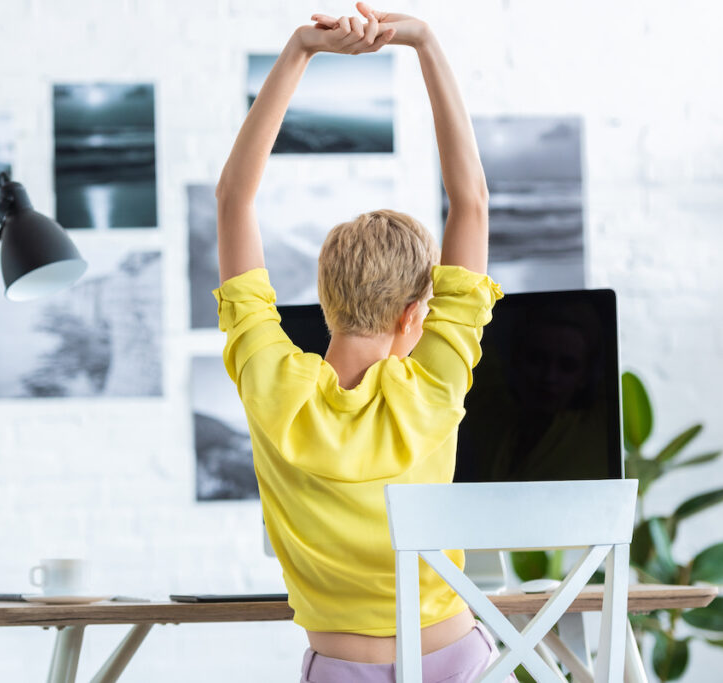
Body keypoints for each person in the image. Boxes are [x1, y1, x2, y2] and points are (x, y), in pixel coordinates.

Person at [212, 4, 508, 681]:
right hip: (456, 658)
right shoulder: (435, 383)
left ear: (324, 298)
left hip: (340, 666)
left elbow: (234, 199)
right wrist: (425, 44)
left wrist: (298, 52)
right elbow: (472, 203)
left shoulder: (274, 385)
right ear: (414, 317)